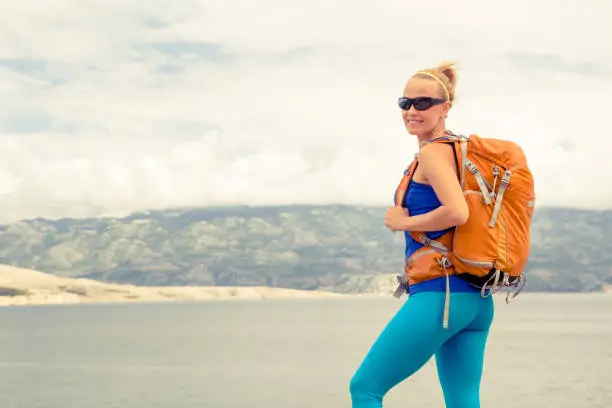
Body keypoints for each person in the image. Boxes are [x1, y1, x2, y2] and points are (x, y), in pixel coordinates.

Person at [349, 62, 495, 408]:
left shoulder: (432, 153)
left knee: (365, 388)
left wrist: (404, 223)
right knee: (463, 399)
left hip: (440, 295)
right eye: (406, 103)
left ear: (446, 107)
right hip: (475, 300)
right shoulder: (460, 153)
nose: (412, 111)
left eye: (424, 103)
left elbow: (457, 211)